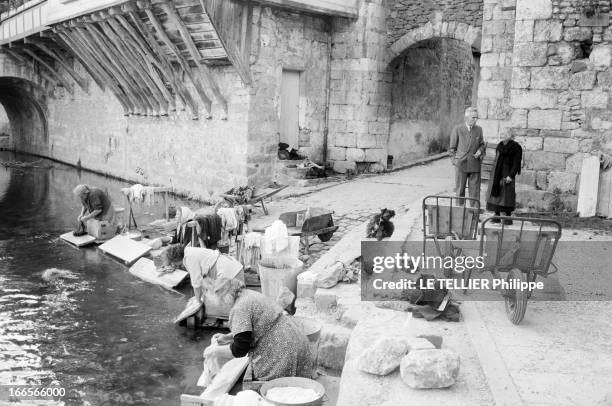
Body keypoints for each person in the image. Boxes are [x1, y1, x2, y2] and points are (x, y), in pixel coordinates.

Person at [204, 277, 314, 382]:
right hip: (296, 341)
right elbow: (257, 325)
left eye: (220, 303)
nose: (221, 307)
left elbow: (240, 349)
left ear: (226, 298)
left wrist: (214, 351)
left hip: (283, 352)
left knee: (277, 386)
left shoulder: (239, 308)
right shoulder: (248, 294)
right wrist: (230, 337)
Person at [162, 244, 244, 317]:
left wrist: (198, 302)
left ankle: (236, 320)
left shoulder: (189, 258)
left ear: (175, 259)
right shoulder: (189, 251)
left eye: (173, 263)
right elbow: (202, 279)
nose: (174, 265)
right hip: (234, 267)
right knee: (233, 298)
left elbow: (196, 283)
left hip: (230, 271)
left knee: (224, 304)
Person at [449, 107, 486, 207]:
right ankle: (460, 212)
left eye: (476, 118)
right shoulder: (458, 129)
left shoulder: (479, 129)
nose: (475, 120)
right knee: (460, 190)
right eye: (473, 117)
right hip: (461, 164)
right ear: (466, 117)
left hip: (474, 164)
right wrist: (455, 161)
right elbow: (452, 149)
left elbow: (482, 144)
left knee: (475, 191)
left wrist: (480, 150)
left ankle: (474, 214)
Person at [486, 132, 523, 225]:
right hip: (497, 173)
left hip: (507, 174)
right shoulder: (500, 146)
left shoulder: (516, 147)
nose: (503, 136)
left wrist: (511, 175)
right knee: (496, 195)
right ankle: (497, 215)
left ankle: (507, 217)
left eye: (505, 135)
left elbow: (516, 163)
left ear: (511, 136)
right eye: (502, 135)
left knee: (507, 196)